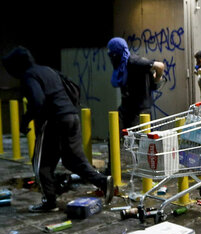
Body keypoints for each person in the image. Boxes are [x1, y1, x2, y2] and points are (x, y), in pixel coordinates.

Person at [2, 46, 114, 212]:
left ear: (16, 66)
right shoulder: (47, 70)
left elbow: (38, 101)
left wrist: (25, 120)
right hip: (71, 117)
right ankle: (103, 181)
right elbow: (71, 87)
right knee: (72, 160)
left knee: (41, 164)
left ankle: (50, 201)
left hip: (53, 121)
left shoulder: (29, 76)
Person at [107, 37, 164, 129]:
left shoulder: (134, 61)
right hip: (126, 108)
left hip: (139, 111)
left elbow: (160, 66)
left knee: (135, 140)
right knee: (115, 137)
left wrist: (156, 79)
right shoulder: (123, 65)